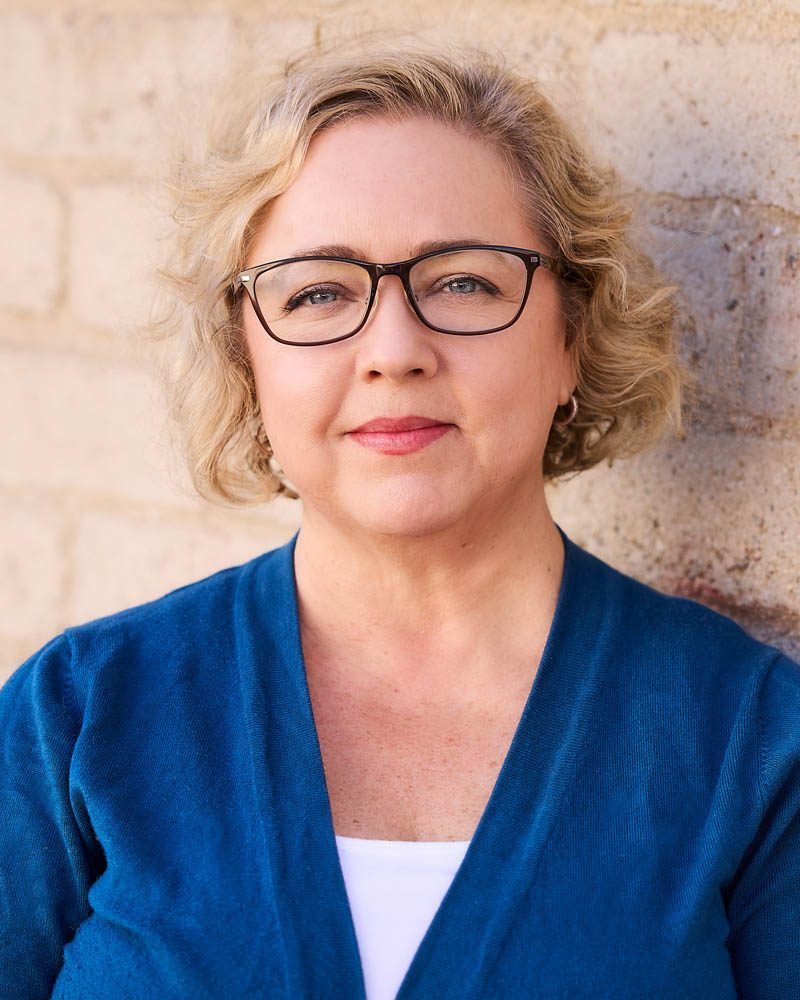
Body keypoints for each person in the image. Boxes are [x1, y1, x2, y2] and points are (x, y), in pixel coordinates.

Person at [1, 37, 798, 1000]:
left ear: (572, 340)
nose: (393, 349)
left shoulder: (752, 743)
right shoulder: (80, 719)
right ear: (248, 363)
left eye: (464, 281)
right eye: (319, 291)